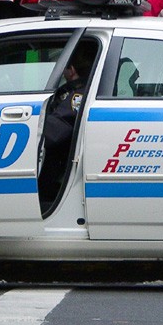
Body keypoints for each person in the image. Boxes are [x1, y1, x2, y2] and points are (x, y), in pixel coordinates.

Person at [38, 43, 96, 205]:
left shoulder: (75, 95)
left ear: (71, 70)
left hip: (59, 177)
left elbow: (53, 133)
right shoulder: (85, 91)